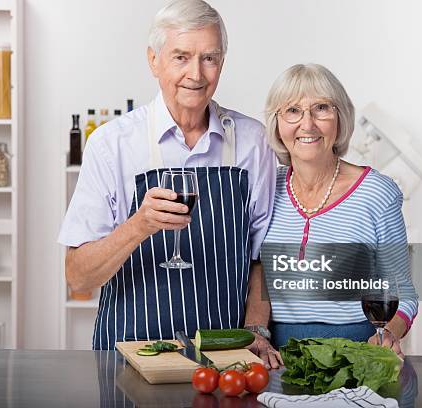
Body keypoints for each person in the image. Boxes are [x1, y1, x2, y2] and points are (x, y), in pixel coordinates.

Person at [58, 0, 282, 368]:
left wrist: (256, 329)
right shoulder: (112, 144)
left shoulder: (252, 141)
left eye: (209, 58)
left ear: (222, 63)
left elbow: (263, 257)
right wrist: (137, 227)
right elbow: (78, 276)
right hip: (128, 352)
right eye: (181, 57)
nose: (196, 73)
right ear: (153, 60)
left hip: (224, 357)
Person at [246, 64, 418, 359]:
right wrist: (256, 333)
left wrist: (389, 333)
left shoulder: (377, 192)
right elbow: (257, 270)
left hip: (356, 352)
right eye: (292, 111)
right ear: (277, 123)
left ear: (341, 117)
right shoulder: (264, 186)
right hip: (275, 354)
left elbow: (404, 293)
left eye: (321, 108)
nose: (307, 124)